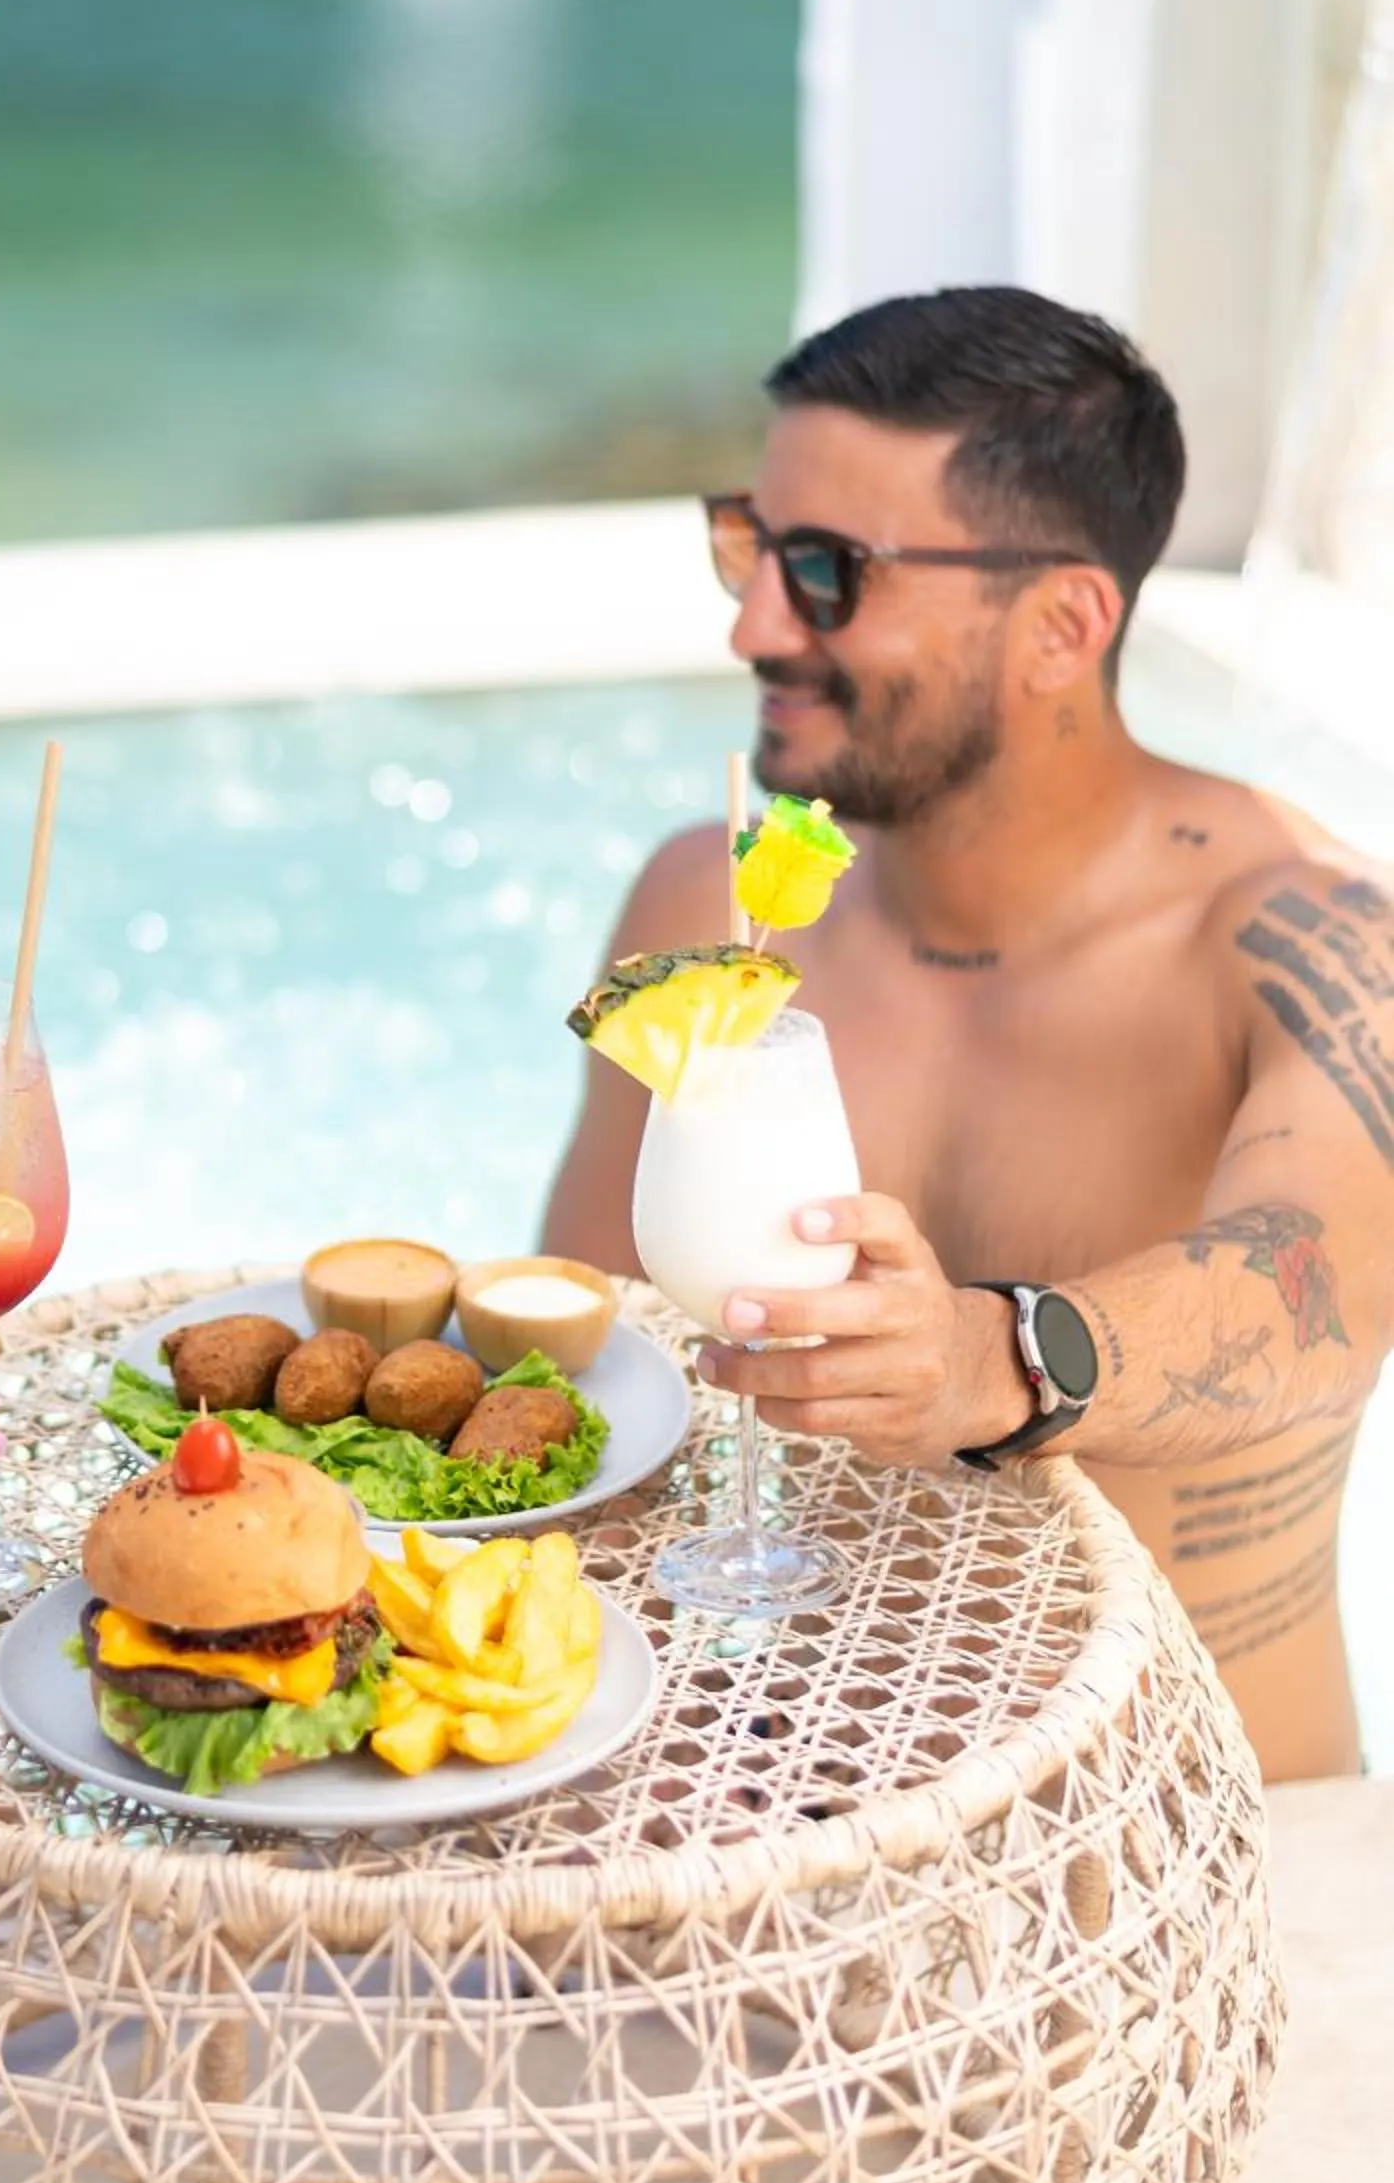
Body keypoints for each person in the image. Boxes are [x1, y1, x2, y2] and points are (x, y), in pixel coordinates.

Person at [544, 288, 1391, 1782]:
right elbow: (586, 1369)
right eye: (749, 543)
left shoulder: (1306, 940)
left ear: (1061, 623)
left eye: (825, 573)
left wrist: (988, 1358)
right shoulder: (708, 912)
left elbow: (1310, 1300)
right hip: (784, 1833)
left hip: (1190, 1861)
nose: (751, 623)